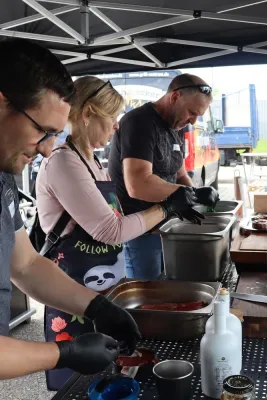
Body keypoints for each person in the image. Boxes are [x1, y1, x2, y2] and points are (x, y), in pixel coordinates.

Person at [35, 75, 200, 389]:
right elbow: (111, 230)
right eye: (110, 118)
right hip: (73, 296)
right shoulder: (64, 164)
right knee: (80, 385)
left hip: (103, 293)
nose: (115, 127)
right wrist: (167, 207)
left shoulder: (92, 163)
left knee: (107, 379)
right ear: (87, 114)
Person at [0, 38, 144, 384]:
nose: (48, 150)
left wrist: (95, 306)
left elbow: (26, 264)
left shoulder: (3, 179)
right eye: (42, 131)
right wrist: (63, 353)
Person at [108, 73, 219, 279]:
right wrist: (184, 193)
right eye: (191, 113)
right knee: (147, 296)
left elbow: (178, 171)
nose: (193, 122)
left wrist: (194, 194)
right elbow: (138, 184)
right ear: (175, 97)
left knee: (167, 289)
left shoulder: (177, 124)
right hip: (140, 232)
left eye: (198, 116)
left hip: (166, 227)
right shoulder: (140, 122)